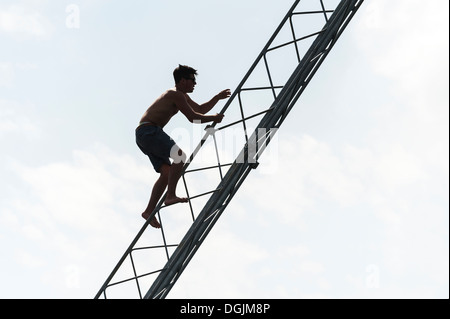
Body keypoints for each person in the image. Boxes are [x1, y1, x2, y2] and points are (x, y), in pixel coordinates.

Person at [136, 65, 231, 228]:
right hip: (149, 131)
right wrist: (213, 118)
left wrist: (216, 98)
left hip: (144, 134)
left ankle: (148, 210)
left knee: (167, 173)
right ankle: (170, 195)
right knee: (180, 157)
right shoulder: (175, 94)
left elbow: (200, 109)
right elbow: (193, 117)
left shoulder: (181, 96)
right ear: (182, 80)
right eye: (192, 80)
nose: (195, 84)